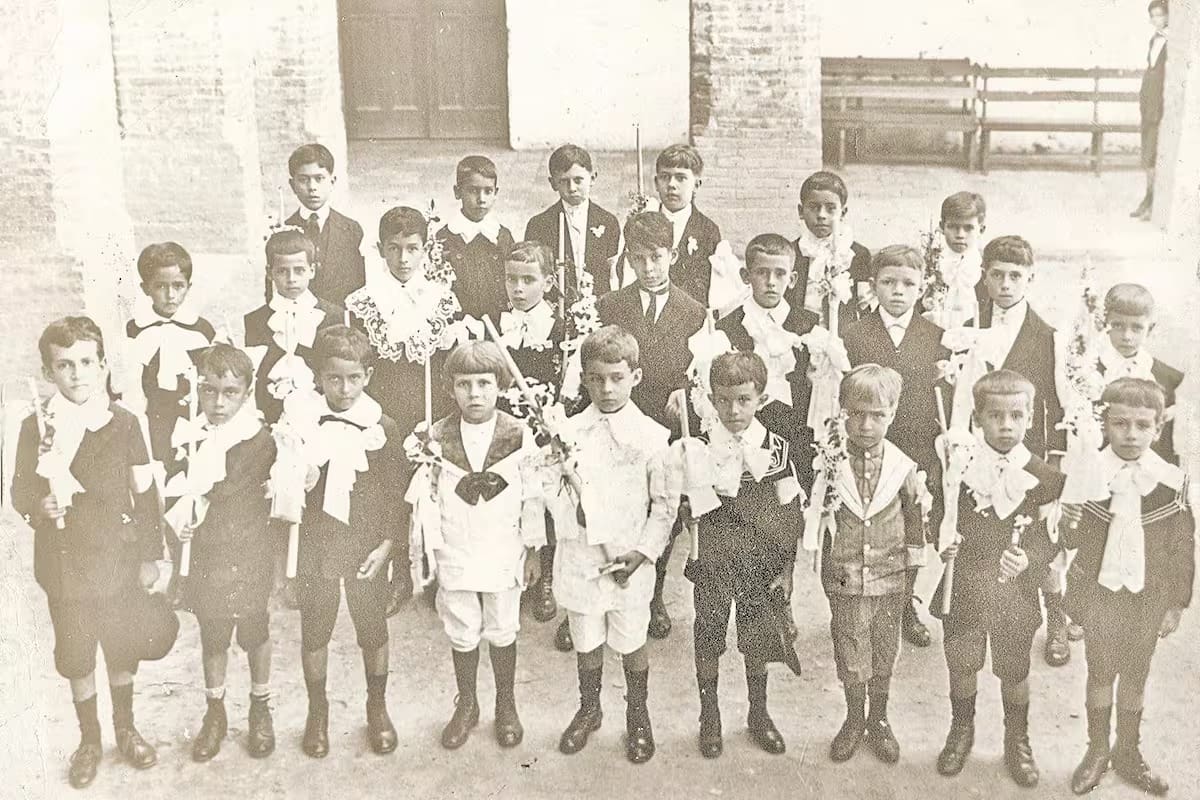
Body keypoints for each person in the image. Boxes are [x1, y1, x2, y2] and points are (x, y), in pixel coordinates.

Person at [13, 317, 169, 789]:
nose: (77, 374)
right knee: (77, 651)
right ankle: (90, 738)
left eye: (86, 363)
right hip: (65, 563)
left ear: (102, 366)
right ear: (47, 372)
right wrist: (39, 505)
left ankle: (126, 727)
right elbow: (19, 491)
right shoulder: (35, 426)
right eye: (64, 365)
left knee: (120, 645)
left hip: (117, 559)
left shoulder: (123, 424)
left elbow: (144, 493)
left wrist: (150, 554)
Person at [542, 326, 682, 764]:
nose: (606, 388)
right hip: (584, 557)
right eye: (596, 378)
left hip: (629, 561)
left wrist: (641, 555)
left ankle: (638, 716)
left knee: (631, 639)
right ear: (583, 377)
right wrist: (571, 509)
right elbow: (551, 493)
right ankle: (589, 709)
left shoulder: (653, 437)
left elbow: (664, 506)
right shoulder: (566, 434)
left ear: (635, 378)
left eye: (617, 378)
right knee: (586, 638)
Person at [930, 370, 1064, 787]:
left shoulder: (1044, 477)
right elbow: (941, 516)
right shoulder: (959, 468)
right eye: (995, 416)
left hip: (1016, 591)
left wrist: (1029, 560)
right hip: (967, 581)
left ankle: (1017, 739)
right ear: (977, 418)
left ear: (1029, 419)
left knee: (1014, 668)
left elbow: (1053, 538)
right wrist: (943, 540)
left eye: (1016, 416)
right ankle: (961, 730)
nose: (1006, 425)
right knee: (963, 660)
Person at [1063, 378, 1193, 796]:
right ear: (1105, 424)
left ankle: (1128, 751)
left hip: (1148, 597)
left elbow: (1181, 548)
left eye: (1142, 425)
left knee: (1137, 673)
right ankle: (1097, 749)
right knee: (1100, 670)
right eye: (1120, 424)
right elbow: (1071, 543)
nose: (1131, 434)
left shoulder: (1172, 482)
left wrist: (1176, 603)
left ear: (1158, 429)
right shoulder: (1089, 476)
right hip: (1102, 594)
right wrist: (1074, 599)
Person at [417, 341, 546, 750]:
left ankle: (505, 704)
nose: (474, 394)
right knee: (461, 624)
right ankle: (467, 703)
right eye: (464, 384)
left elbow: (532, 494)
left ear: (500, 385)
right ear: (451, 388)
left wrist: (533, 549)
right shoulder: (436, 437)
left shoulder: (518, 434)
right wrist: (430, 550)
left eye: (484, 384)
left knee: (502, 623)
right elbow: (428, 498)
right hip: (456, 544)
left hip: (502, 545)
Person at [285, 325, 404, 758]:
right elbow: (285, 490)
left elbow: (397, 494)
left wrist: (387, 545)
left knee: (371, 626)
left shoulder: (382, 427)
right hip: (317, 542)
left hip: (365, 546)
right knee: (315, 628)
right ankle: (318, 712)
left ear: (368, 375)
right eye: (334, 378)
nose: (344, 388)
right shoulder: (301, 423)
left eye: (354, 378)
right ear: (318, 377)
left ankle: (378, 706)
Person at [686, 351, 809, 758]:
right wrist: (685, 507)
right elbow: (684, 506)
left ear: (760, 398)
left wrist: (787, 567)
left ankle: (759, 713)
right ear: (711, 399)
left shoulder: (776, 448)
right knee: (709, 637)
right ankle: (710, 716)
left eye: (743, 399)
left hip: (760, 560)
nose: (733, 410)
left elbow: (790, 511)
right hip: (714, 560)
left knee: (757, 638)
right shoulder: (699, 448)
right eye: (723, 400)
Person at [596, 211, 705, 643]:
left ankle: (653, 594)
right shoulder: (611, 306)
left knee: (663, 513)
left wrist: (685, 394)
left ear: (672, 255)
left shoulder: (694, 311)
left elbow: (699, 369)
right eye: (639, 259)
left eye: (657, 257)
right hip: (621, 420)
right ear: (629, 259)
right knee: (615, 506)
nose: (649, 268)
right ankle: (602, 594)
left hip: (664, 423)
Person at [171, 344, 279, 762]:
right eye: (210, 390)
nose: (218, 402)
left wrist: (199, 491)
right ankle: (214, 712)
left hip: (249, 549)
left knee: (255, 630)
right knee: (213, 633)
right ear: (198, 390)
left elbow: (236, 487)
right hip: (208, 554)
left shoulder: (258, 440)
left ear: (247, 393)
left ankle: (260, 706)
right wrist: (181, 507)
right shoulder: (190, 437)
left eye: (230, 392)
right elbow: (176, 487)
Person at [347, 205, 454, 614]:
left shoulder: (441, 299)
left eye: (412, 249)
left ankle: (430, 573)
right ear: (380, 250)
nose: (404, 259)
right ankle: (398, 575)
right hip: (384, 411)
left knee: (428, 490)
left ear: (426, 249)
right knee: (390, 490)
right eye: (394, 249)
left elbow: (446, 363)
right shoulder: (365, 303)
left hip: (430, 408)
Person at [845, 244, 951, 649]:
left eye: (908, 284)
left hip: (917, 446)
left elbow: (944, 396)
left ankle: (905, 604)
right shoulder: (855, 334)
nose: (898, 292)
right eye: (888, 282)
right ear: (873, 286)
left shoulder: (936, 336)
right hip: (870, 445)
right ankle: (866, 603)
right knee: (872, 526)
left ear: (922, 287)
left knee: (912, 528)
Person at [823, 364, 929, 765]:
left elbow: (915, 523)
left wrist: (911, 578)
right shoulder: (829, 464)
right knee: (851, 648)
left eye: (877, 415)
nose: (866, 424)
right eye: (856, 414)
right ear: (843, 412)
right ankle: (853, 718)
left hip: (891, 577)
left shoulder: (903, 468)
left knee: (884, 648)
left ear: (893, 414)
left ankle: (879, 718)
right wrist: (825, 573)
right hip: (846, 576)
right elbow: (819, 522)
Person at [975, 235, 1070, 667]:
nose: (1006, 284)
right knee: (985, 535)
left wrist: (1053, 459)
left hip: (1025, 451)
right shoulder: (969, 318)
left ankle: (1056, 618)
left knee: (1041, 544)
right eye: (997, 275)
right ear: (985, 275)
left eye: (1016, 276)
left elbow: (1054, 401)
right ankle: (978, 614)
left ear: (1030, 278)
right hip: (981, 443)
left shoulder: (1045, 334)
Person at [498, 241, 568, 623]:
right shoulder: (497, 323)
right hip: (507, 427)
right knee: (510, 502)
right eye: (511, 280)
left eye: (528, 280)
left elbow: (566, 382)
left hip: (545, 428)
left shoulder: (561, 328)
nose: (519, 289)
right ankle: (515, 572)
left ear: (548, 282)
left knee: (547, 505)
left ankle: (547, 578)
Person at [126, 241, 216, 476]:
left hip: (191, 420)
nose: (170, 295)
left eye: (178, 286)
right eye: (160, 287)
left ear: (189, 286)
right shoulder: (134, 331)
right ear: (146, 288)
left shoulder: (202, 331)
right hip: (152, 419)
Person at [716, 233, 820, 426]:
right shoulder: (727, 327)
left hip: (797, 427)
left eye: (780, 273)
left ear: (792, 279)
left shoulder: (809, 325)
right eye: (762, 272)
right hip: (747, 426)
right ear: (746, 276)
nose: (771, 281)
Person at [244, 227, 343, 423]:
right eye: (282, 271)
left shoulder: (332, 315)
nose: (291, 279)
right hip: (272, 412)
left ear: (312, 270)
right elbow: (258, 374)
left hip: (321, 412)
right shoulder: (255, 320)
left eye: (299, 270)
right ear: (269, 273)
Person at [1099, 283, 1183, 465]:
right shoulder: (1088, 371)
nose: (1127, 336)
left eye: (1137, 328)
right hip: (1099, 472)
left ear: (1150, 329)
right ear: (1104, 324)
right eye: (1117, 325)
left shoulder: (1169, 378)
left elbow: (1168, 442)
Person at [524, 144, 621, 296]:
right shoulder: (539, 225)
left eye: (578, 180)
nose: (572, 188)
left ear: (592, 178)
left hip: (598, 305)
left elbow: (612, 274)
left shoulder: (608, 222)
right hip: (556, 307)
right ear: (553, 183)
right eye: (563, 181)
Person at [786, 170, 872, 336]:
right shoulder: (790, 253)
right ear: (801, 211)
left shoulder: (857, 255)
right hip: (800, 340)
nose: (821, 215)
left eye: (830, 209)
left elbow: (865, 306)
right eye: (813, 207)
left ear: (843, 213)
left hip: (843, 341)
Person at [284, 143, 366, 304]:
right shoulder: (283, 231)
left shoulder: (351, 230)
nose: (312, 187)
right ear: (292, 185)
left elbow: (359, 289)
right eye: (303, 180)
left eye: (319, 179)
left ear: (332, 181)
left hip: (340, 323)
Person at [438, 155, 515, 320]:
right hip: (461, 324)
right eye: (473, 191)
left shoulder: (502, 236)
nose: (481, 199)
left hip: (500, 322)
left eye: (488, 191)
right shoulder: (444, 239)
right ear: (457, 192)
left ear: (496, 193)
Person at [650, 144, 724, 307]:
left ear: (696, 185)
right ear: (656, 183)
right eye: (664, 177)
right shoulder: (643, 226)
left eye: (681, 178)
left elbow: (712, 288)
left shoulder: (707, 231)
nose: (671, 185)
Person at [1131, 1, 1169, 221]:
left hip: (1159, 104)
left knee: (1154, 152)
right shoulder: (1153, 41)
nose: (1157, 20)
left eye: (1160, 15)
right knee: (1147, 152)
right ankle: (1148, 197)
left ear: (1167, 17)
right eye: (1153, 16)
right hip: (1148, 103)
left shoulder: (1170, 44)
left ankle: (1153, 200)